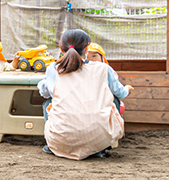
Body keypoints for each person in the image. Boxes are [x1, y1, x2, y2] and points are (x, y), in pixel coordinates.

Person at [37, 28, 132, 159]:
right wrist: (127, 88)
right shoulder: (104, 69)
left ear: (61, 48)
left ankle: (53, 145)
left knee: (48, 103)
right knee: (114, 99)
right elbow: (121, 93)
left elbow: (46, 93)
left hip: (60, 140)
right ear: (87, 48)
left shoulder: (54, 69)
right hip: (100, 138)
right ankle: (102, 146)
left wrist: (42, 84)